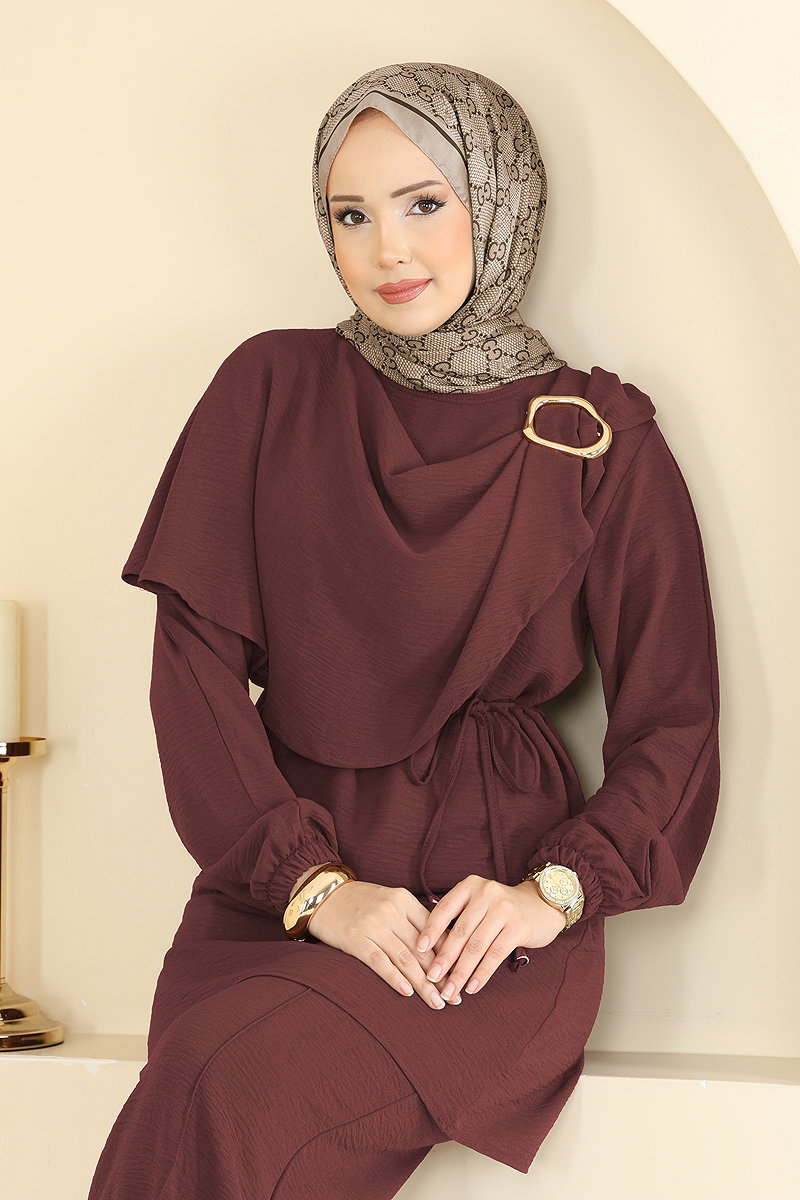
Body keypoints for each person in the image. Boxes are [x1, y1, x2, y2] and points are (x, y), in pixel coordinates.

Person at [88, 61, 720, 1197]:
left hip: (470, 925)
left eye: (426, 202)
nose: (388, 249)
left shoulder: (595, 434)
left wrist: (551, 894)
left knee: (227, 1093)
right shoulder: (270, 386)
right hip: (275, 899)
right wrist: (315, 886)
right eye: (351, 214)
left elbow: (675, 720)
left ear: (502, 199)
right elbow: (192, 672)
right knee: (201, 1083)